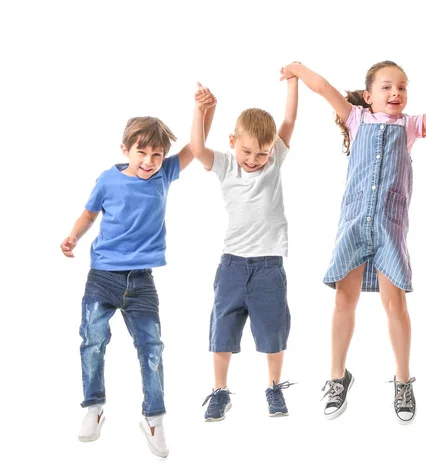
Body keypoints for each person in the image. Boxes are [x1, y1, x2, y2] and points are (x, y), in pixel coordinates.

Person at [280, 61, 426, 423]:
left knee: (395, 304)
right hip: (354, 224)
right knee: (344, 300)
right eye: (387, 87)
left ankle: (403, 381)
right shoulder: (356, 119)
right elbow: (323, 87)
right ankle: (338, 376)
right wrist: (296, 68)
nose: (396, 93)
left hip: (389, 227)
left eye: (402, 87)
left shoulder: (412, 126)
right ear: (369, 96)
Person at [61, 107, 214, 457]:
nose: (149, 161)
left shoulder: (165, 174)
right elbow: (89, 214)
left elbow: (195, 144)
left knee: (152, 348)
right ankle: (93, 408)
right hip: (102, 276)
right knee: (93, 339)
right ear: (125, 150)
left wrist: (206, 109)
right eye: (141, 153)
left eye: (156, 154)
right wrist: (73, 237)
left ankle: (154, 418)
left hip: (142, 281)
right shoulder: (107, 180)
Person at [191, 77, 298, 421]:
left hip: (269, 265)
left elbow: (290, 121)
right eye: (247, 151)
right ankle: (220, 391)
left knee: (273, 332)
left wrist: (293, 83)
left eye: (262, 153)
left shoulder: (275, 160)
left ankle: (274, 387)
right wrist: (199, 109)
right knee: (222, 331)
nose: (254, 160)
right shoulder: (225, 164)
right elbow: (196, 148)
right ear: (233, 142)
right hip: (233, 266)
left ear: (273, 149)